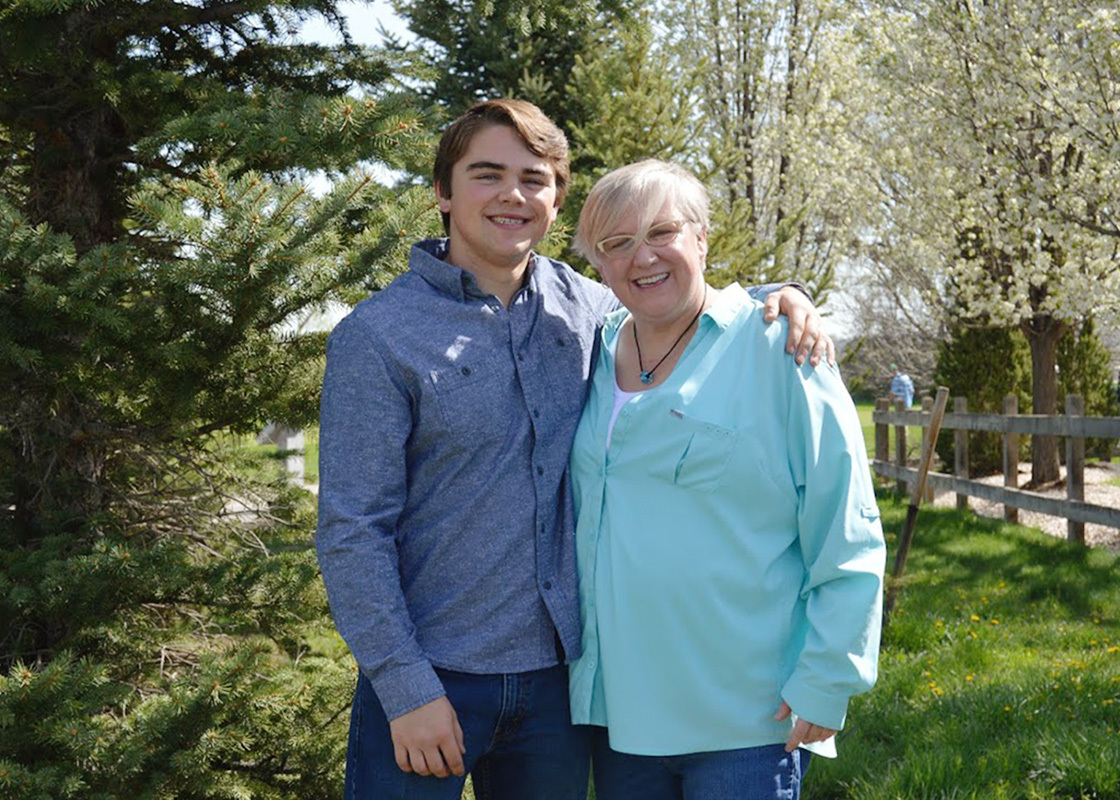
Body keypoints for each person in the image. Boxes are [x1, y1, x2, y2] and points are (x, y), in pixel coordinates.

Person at [314, 100, 833, 800]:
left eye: (534, 178)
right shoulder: (378, 337)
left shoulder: (590, 309)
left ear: (557, 198)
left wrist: (784, 295)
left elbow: (682, 296)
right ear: (443, 191)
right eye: (487, 174)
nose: (512, 196)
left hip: (562, 691)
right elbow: (352, 532)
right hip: (430, 679)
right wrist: (405, 688)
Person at [567, 160, 885, 800]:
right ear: (597, 264)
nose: (643, 256)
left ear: (703, 238)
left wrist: (828, 680)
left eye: (662, 232)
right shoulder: (590, 352)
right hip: (619, 719)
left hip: (745, 721)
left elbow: (845, 527)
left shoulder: (780, 349)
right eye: (617, 243)